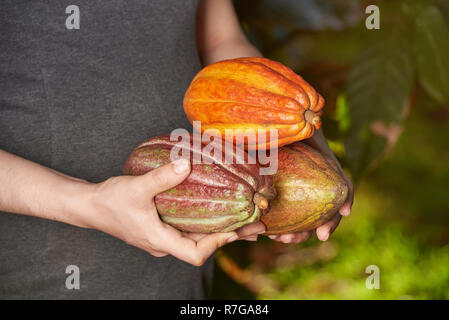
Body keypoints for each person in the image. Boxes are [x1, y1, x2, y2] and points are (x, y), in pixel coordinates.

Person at [0, 0, 353, 299]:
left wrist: (293, 126)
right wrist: (84, 203)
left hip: (192, 236)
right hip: (41, 264)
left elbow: (220, 39)